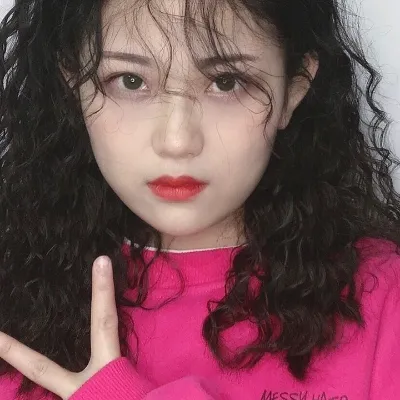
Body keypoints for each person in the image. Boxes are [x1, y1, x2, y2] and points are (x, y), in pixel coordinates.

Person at [0, 0, 399, 398]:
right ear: (74, 84)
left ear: (293, 90)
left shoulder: (386, 301)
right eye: (130, 81)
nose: (177, 141)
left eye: (226, 82)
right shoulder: (12, 305)